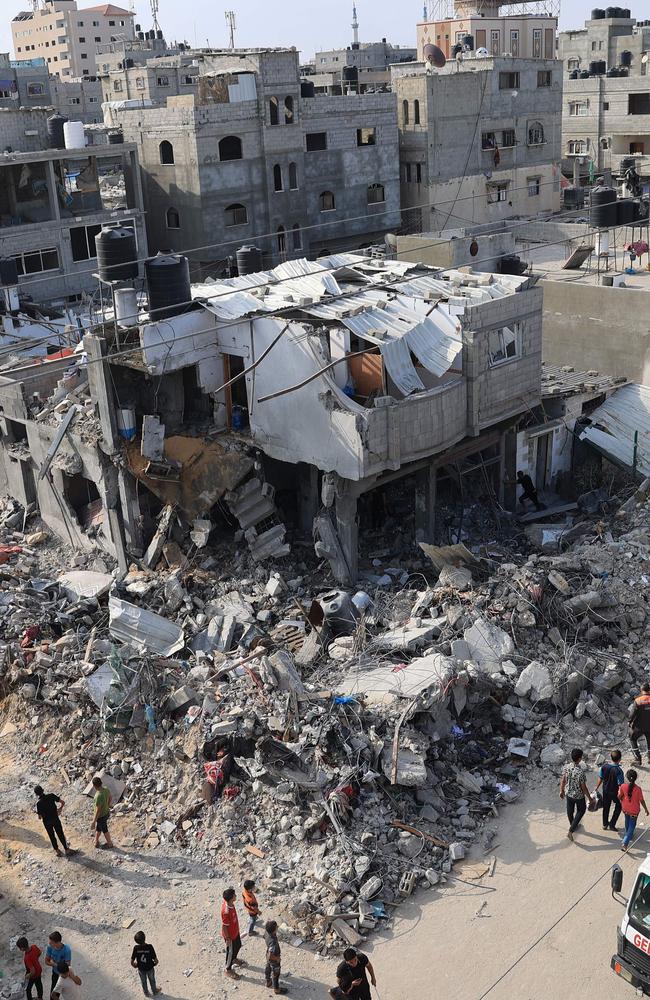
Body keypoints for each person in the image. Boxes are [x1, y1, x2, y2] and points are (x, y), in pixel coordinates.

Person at [559, 746, 594, 842]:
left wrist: (561, 790)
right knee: (581, 810)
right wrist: (590, 799)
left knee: (570, 810)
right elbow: (584, 788)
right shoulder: (580, 772)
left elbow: (563, 779)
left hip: (568, 793)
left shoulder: (567, 767)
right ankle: (571, 831)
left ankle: (572, 824)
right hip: (578, 796)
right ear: (579, 759)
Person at [34, 786, 72, 857]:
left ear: (36, 794)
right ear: (43, 790)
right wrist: (60, 809)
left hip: (47, 822)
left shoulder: (38, 804)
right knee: (60, 834)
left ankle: (57, 851)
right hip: (55, 819)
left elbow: (39, 817)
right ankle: (66, 849)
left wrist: (39, 814)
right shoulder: (51, 796)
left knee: (51, 836)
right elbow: (63, 802)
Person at [619, 769, 650, 851]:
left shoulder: (622, 786)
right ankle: (625, 842)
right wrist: (646, 810)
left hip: (625, 808)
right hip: (634, 810)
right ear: (635, 778)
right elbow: (642, 801)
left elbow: (619, 796)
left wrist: (622, 800)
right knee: (632, 825)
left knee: (627, 820)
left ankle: (628, 834)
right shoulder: (638, 789)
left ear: (627, 778)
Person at [595, 749, 625, 832]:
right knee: (619, 806)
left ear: (611, 757)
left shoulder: (604, 766)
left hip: (605, 790)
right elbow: (620, 785)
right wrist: (621, 795)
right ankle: (612, 824)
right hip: (614, 792)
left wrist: (596, 787)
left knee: (606, 807)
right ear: (620, 759)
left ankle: (604, 824)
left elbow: (600, 777)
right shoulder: (619, 771)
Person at [221, 887, 244, 980]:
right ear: (231, 898)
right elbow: (224, 926)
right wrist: (228, 938)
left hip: (235, 932)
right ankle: (228, 969)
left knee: (238, 945)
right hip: (230, 936)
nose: (236, 896)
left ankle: (234, 959)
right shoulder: (226, 911)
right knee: (230, 952)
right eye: (234, 895)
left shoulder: (231, 904)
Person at [131, 931, 162, 997]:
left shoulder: (136, 948)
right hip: (150, 968)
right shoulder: (150, 947)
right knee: (152, 980)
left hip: (141, 969)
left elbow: (132, 961)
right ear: (145, 938)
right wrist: (154, 964)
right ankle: (154, 990)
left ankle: (146, 993)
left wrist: (135, 965)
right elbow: (156, 960)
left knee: (143, 981)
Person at [628, 683, 650, 765]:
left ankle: (638, 758)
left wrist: (629, 721)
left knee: (632, 738)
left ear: (641, 690)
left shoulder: (638, 700)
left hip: (639, 727)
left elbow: (632, 714)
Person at [44, 933, 71, 998]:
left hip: (64, 974)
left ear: (58, 942)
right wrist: (55, 964)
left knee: (69, 995)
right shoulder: (50, 947)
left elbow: (68, 965)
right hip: (55, 974)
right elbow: (46, 962)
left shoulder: (66, 950)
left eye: (51, 943)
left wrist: (54, 964)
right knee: (53, 995)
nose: (49, 944)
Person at [264, 920, 287, 995]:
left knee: (268, 968)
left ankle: (268, 982)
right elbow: (271, 955)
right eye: (276, 927)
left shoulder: (266, 932)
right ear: (274, 930)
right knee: (276, 974)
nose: (277, 927)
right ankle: (276, 989)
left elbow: (264, 937)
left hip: (267, 955)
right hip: (273, 958)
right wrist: (277, 958)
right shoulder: (273, 941)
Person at [91, 776, 113, 849]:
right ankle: (96, 840)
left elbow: (98, 810)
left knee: (104, 830)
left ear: (94, 786)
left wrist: (94, 821)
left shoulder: (98, 796)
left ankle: (110, 844)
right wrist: (108, 805)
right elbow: (110, 797)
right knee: (99, 828)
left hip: (101, 816)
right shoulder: (106, 789)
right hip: (106, 813)